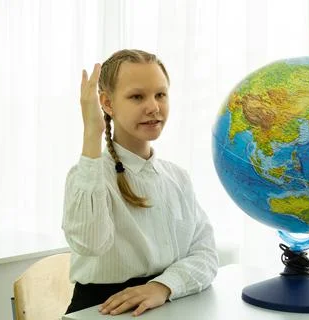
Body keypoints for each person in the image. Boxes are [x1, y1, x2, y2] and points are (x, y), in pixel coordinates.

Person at [62, 49, 219, 317]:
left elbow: (205, 254)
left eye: (160, 94)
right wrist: (92, 133)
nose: (153, 107)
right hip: (103, 309)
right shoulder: (88, 175)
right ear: (107, 104)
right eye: (137, 96)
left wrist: (163, 286)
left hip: (164, 303)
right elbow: (90, 243)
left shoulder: (177, 177)